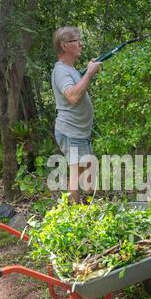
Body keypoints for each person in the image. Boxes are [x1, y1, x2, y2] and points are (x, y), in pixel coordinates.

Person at [51, 26, 101, 203]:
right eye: (76, 40)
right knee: (76, 171)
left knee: (88, 169)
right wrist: (89, 73)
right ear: (64, 45)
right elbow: (72, 96)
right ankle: (75, 212)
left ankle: (89, 204)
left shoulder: (70, 69)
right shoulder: (61, 70)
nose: (81, 43)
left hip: (80, 132)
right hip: (71, 131)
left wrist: (88, 71)